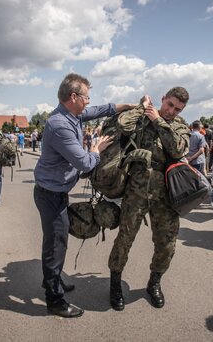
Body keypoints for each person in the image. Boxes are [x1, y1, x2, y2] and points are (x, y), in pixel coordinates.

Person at [33, 73, 138, 318]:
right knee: (55, 245)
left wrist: (133, 105)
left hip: (56, 192)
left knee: (58, 242)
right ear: (74, 97)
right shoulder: (59, 124)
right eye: (86, 97)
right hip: (50, 194)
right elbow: (84, 163)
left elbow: (105, 109)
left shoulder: (73, 114)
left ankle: (53, 280)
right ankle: (55, 300)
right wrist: (96, 149)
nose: (89, 102)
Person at [108, 86, 190, 311]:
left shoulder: (180, 127)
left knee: (166, 242)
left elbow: (178, 149)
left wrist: (159, 122)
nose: (171, 111)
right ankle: (115, 283)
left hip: (166, 194)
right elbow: (122, 125)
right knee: (125, 238)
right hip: (136, 189)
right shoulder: (143, 116)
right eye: (169, 104)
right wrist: (142, 106)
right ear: (163, 99)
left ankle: (154, 283)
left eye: (177, 108)